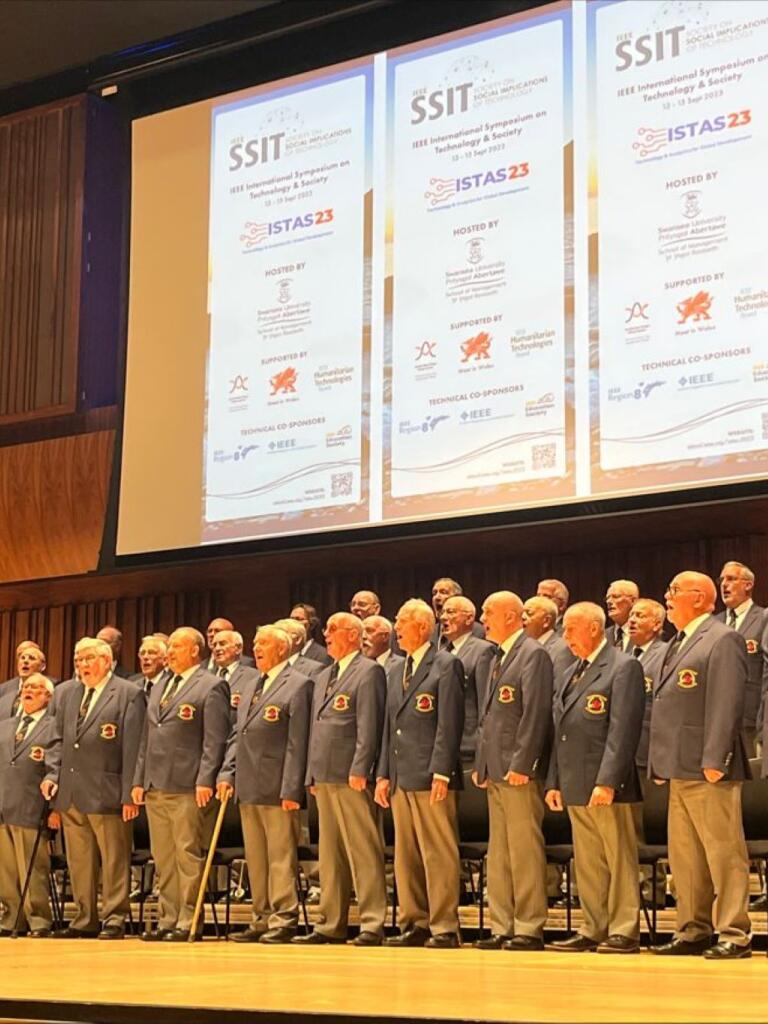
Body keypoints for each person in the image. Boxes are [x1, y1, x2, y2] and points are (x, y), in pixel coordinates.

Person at [650, 572, 752, 960]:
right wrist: (661, 760)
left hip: (708, 767)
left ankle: (734, 931)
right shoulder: (676, 642)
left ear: (701, 598)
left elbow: (727, 704)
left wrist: (716, 758)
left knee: (723, 852)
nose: (667, 596)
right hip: (678, 765)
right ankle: (693, 928)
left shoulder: (722, 638)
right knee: (686, 856)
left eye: (674, 591)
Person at [545, 602, 645, 954]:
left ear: (593, 627)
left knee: (617, 857)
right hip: (574, 779)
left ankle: (623, 928)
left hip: (605, 782)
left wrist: (607, 781)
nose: (565, 636)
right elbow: (561, 731)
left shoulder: (623, 666)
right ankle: (593, 925)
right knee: (588, 860)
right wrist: (553, 781)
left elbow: (623, 730)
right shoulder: (573, 670)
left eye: (570, 629)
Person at [41, 637, 146, 939]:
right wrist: (52, 775)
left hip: (109, 790)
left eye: (88, 659)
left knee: (114, 858)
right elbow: (56, 740)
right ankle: (84, 917)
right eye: (78, 660)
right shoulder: (64, 694)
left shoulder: (128, 694)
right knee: (79, 859)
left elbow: (134, 746)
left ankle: (114, 917)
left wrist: (130, 793)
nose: (82, 665)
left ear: (106, 659)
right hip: (71, 791)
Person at [131, 627, 230, 942]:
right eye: (168, 647)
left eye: (176, 647)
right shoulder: (160, 685)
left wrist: (206, 779)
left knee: (187, 854)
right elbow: (146, 739)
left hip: (188, 785)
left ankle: (188, 920)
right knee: (163, 856)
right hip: (156, 784)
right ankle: (167, 918)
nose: (168, 652)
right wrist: (138, 780)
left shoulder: (212, 686)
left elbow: (215, 741)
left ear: (194, 651)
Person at [376, 598, 464, 948]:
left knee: (437, 852)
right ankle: (414, 922)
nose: (396, 628)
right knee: (406, 853)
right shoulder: (396, 669)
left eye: (401, 622)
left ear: (423, 627)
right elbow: (388, 726)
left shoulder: (446, 664)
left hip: (430, 774)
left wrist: (442, 771)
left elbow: (449, 723)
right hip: (400, 774)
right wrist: (383, 773)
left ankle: (444, 925)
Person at [217, 626, 313, 943]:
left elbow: (297, 743)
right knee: (256, 857)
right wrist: (228, 773)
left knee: (280, 856)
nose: (256, 649)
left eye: (263, 644)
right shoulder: (254, 685)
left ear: (282, 649)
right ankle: (260, 916)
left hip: (277, 786)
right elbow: (237, 736)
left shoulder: (298, 685)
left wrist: (291, 789)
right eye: (255, 643)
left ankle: (283, 918)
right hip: (248, 784)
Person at [296, 613, 387, 946]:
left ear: (352, 635)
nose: (327, 635)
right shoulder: (323, 676)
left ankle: (372, 922)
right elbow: (314, 730)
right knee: (329, 854)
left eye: (333, 630)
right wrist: (310, 773)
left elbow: (368, 725)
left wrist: (361, 768)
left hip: (351, 774)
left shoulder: (369, 670)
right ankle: (330, 922)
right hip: (324, 775)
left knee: (362, 849)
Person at [473, 591, 552, 951]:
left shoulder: (533, 654)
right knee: (500, 852)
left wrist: (524, 763)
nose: (483, 617)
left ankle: (529, 926)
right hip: (496, 768)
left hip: (518, 770)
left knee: (523, 850)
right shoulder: (497, 656)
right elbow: (489, 718)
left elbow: (535, 715)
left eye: (488, 612)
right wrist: (482, 763)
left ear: (510, 616)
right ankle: (501, 925)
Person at [0, 674, 58, 936]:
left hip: (31, 806)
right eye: (26, 687)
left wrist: (54, 803)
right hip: (3, 805)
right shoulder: (5, 725)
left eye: (36, 687)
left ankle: (38, 920)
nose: (28, 691)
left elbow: (55, 766)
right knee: (6, 869)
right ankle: (12, 918)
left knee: (33, 868)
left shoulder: (53, 726)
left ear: (48, 696)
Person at [626, 598, 669, 907]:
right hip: (623, 755)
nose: (632, 620)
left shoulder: (664, 654)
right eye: (631, 615)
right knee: (631, 829)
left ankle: (654, 894)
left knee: (651, 827)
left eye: (639, 615)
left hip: (650, 753)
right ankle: (633, 893)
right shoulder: (622, 655)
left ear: (657, 624)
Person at [716, 561, 766, 756]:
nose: (724, 585)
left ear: (748, 585)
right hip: (717, 720)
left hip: (751, 719)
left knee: (753, 785)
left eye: (731, 579)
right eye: (721, 580)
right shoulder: (712, 623)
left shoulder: (763, 618)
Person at [440, 595, 495, 760]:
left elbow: (484, 705)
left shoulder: (483, 650)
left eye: (450, 612)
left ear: (469, 618)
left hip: (469, 747)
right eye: (443, 612)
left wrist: (481, 749)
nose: (443, 617)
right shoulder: (441, 654)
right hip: (445, 747)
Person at [522, 596, 577, 681]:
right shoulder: (523, 647)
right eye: (522, 613)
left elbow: (559, 688)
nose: (523, 617)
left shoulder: (562, 649)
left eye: (529, 613)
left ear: (546, 621)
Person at [209, 629, 259, 718]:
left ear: (238, 648)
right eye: (214, 645)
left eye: (222, 644)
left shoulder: (253, 676)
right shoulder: (206, 676)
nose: (217, 648)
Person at [430, 579, 484, 647]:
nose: (437, 597)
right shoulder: (431, 632)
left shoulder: (477, 630)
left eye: (443, 592)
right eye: (434, 593)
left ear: (457, 597)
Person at [605, 581, 640, 652]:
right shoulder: (601, 637)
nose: (609, 601)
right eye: (607, 598)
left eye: (616, 596)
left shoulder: (647, 634)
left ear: (633, 601)